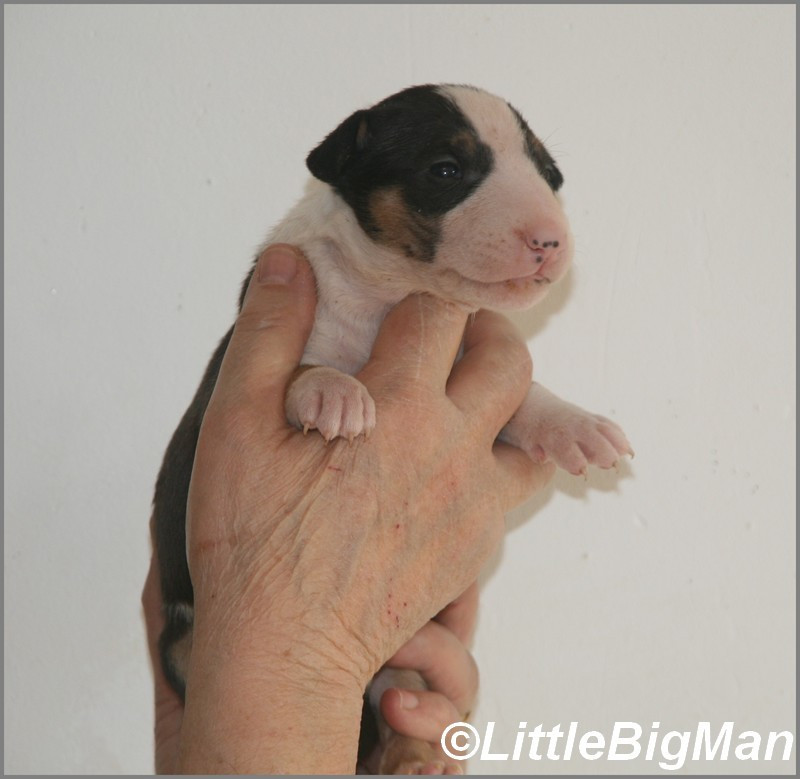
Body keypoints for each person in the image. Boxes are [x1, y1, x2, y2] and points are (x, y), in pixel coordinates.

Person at [142, 244, 555, 773]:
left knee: (407, 691)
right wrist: (309, 656)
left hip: (306, 706)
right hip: (205, 636)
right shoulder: (314, 295)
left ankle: (389, 741)